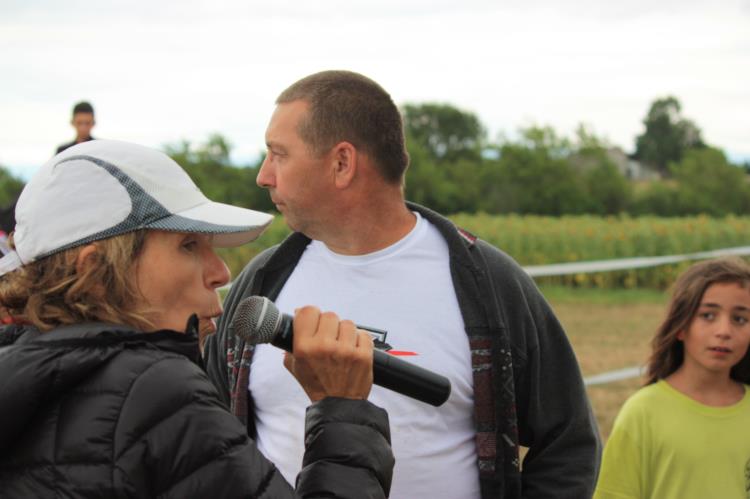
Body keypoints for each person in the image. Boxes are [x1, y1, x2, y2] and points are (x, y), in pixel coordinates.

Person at [204, 70, 600, 499]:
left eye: (278, 155)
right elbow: (210, 431)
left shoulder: (488, 285)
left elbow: (569, 444)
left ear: (342, 163)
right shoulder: (263, 282)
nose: (264, 176)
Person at [0, 140, 394, 498]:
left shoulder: (22, 375)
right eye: (188, 245)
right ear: (96, 273)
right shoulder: (157, 391)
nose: (221, 273)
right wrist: (343, 409)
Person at [594, 257, 750, 499]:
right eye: (708, 315)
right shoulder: (643, 413)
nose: (724, 331)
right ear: (680, 326)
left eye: (739, 319)